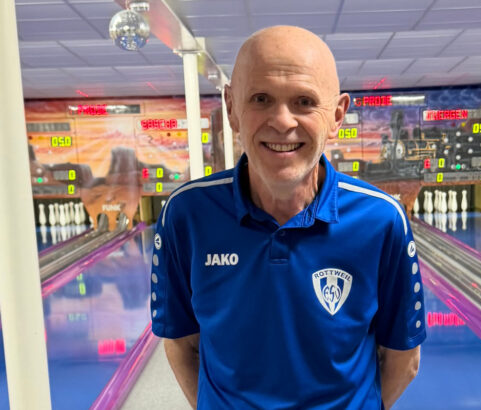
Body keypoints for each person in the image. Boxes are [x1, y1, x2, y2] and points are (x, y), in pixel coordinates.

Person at [150, 25, 426, 409]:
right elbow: (181, 343)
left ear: (337, 115)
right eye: (261, 98)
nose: (282, 121)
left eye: (304, 102)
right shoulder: (186, 215)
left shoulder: (381, 220)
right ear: (231, 108)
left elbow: (403, 359)